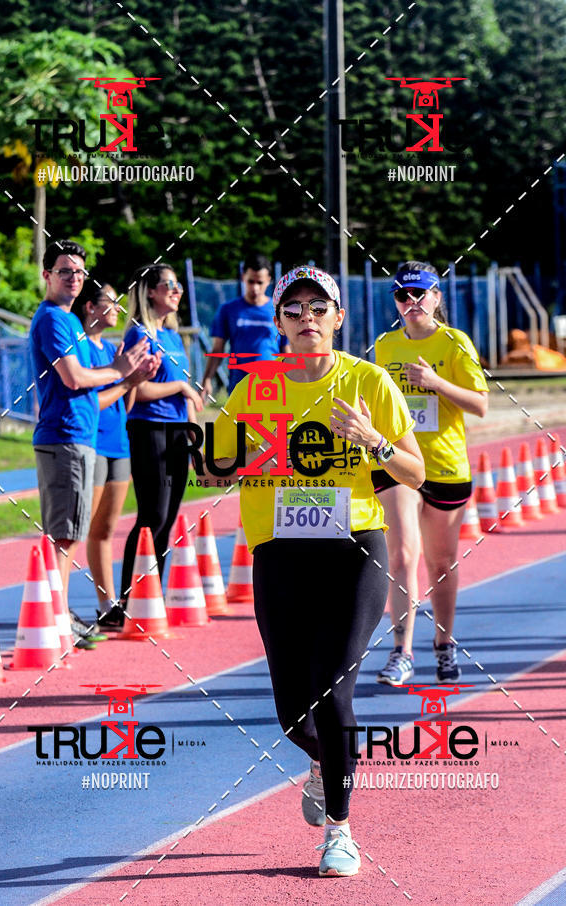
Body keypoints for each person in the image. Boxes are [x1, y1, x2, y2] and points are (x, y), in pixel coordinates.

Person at [208, 265, 424, 877]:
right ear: (279, 323)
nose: (307, 318)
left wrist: (371, 437)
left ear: (338, 318)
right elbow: (218, 465)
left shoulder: (369, 381)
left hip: (353, 546)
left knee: (334, 692)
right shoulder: (258, 385)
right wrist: (230, 444)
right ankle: (328, 761)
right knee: (289, 710)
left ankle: (340, 831)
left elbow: (416, 473)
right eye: (294, 309)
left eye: (317, 308)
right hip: (280, 550)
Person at [29, 240, 150, 648]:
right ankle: (57, 621)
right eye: (65, 271)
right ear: (46, 275)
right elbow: (74, 378)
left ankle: (58, 616)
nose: (74, 279)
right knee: (65, 537)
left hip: (78, 437)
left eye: (79, 272)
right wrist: (119, 369)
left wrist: (127, 378)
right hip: (64, 437)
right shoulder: (52, 320)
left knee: (69, 534)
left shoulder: (71, 324)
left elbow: (91, 385)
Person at [373, 261, 489, 687]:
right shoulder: (384, 346)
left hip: (444, 465)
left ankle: (443, 643)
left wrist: (435, 383)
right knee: (402, 554)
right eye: (403, 295)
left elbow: (480, 404)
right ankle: (401, 652)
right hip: (399, 462)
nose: (412, 302)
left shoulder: (455, 344)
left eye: (421, 294)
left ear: (437, 298)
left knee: (441, 561)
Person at [71, 279, 159, 629]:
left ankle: (108, 604)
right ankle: (56, 602)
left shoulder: (112, 351)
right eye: (111, 301)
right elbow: (90, 404)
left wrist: (136, 380)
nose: (119, 308)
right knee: (79, 529)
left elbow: (124, 401)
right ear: (90, 307)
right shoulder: (79, 348)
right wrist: (125, 381)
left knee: (105, 529)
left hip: (118, 444)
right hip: (90, 444)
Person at [119, 263, 204, 605]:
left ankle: (150, 595)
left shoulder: (171, 335)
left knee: (167, 518)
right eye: (169, 284)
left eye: (178, 284)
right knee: (151, 514)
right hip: (150, 429)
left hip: (177, 434)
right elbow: (136, 391)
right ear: (150, 291)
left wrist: (194, 435)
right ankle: (126, 598)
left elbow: (186, 396)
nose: (176, 290)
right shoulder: (139, 335)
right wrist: (182, 385)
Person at [200, 253, 289, 400]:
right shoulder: (228, 310)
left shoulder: (279, 311)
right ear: (243, 278)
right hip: (239, 386)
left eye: (259, 282)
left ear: (269, 281)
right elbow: (217, 349)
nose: (254, 288)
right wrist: (207, 379)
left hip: (272, 386)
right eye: (250, 281)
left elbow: (286, 351)